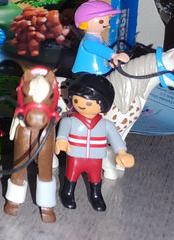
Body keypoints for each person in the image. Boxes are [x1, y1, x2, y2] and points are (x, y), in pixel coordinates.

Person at [55, 74, 134, 211]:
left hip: (95, 158)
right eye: (76, 100)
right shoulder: (69, 121)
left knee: (96, 177)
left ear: (102, 104)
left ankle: (96, 195)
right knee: (71, 175)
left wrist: (122, 152)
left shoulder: (106, 125)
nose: (81, 105)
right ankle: (67, 192)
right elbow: (62, 132)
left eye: (88, 103)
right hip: (75, 156)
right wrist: (61, 140)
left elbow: (116, 139)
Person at [72, 0, 129, 75]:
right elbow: (96, 48)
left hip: (101, 69)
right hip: (88, 72)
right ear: (84, 24)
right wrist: (113, 55)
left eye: (108, 21)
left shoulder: (98, 38)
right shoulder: (88, 40)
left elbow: (102, 53)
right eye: (101, 21)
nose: (107, 24)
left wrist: (110, 62)